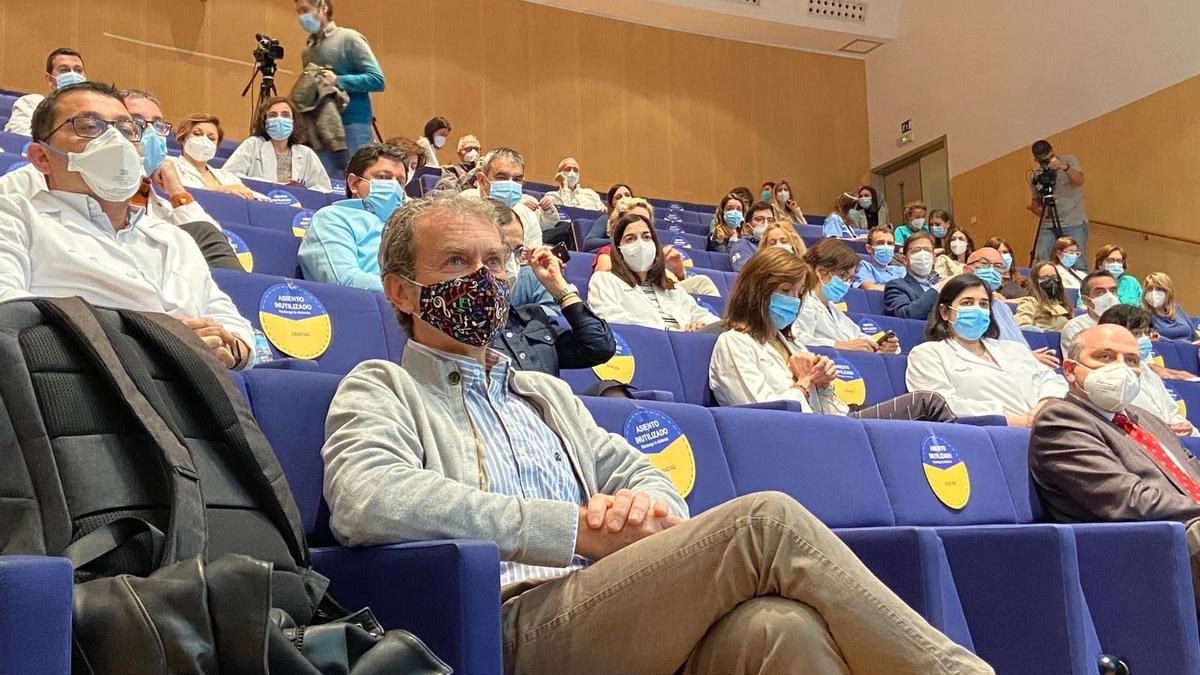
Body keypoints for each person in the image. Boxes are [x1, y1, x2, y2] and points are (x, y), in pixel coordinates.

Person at [323, 191, 993, 675]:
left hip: (615, 603)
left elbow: (638, 473)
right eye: (456, 264)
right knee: (767, 520)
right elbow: (368, 496)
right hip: (507, 624)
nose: (485, 281)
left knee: (780, 629)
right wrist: (572, 526)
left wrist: (644, 506)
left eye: (494, 264)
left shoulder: (544, 393)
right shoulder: (381, 385)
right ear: (403, 292)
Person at [0, 81, 254, 369]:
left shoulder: (174, 239)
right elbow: (9, 313)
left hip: (194, 392)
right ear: (42, 157)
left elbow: (232, 324)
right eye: (89, 127)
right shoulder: (15, 216)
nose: (115, 141)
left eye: (127, 130)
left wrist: (230, 350)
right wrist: (153, 338)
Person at [1028, 325, 1200, 601]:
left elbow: (1192, 472)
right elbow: (1128, 500)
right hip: (1140, 554)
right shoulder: (1061, 420)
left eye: (1131, 360)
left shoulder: (1145, 418)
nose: (1121, 369)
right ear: (1071, 370)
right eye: (1105, 357)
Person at [710, 247, 958, 422]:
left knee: (927, 405)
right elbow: (764, 416)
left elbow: (835, 411)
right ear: (756, 292)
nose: (793, 301)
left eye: (797, 294)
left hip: (835, 425)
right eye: (785, 290)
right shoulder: (734, 343)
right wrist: (805, 382)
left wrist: (825, 385)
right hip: (797, 438)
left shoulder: (792, 345)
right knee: (925, 403)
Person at [906, 275, 1067, 426]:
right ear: (945, 312)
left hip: (1049, 426)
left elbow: (1053, 380)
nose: (977, 310)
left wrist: (1046, 403)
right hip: (993, 434)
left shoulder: (1013, 348)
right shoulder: (928, 354)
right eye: (967, 303)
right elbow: (942, 404)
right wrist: (1018, 420)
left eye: (983, 304)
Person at [491, 202, 615, 375]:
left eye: (518, 251)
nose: (510, 262)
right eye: (501, 252)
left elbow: (599, 346)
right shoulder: (457, 325)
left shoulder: (531, 321)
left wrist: (557, 285)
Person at [297, 144, 407, 291]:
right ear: (354, 183)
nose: (394, 186)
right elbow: (345, 281)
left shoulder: (406, 227)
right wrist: (412, 293)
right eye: (383, 177)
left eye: (400, 182)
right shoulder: (332, 218)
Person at [587, 214, 720, 331]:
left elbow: (701, 314)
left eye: (646, 237)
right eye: (630, 239)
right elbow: (611, 320)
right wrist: (677, 333)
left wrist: (700, 325)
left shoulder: (671, 287)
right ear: (619, 250)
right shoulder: (604, 280)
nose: (640, 244)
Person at [295, 0, 385, 169]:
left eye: (305, 10)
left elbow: (377, 80)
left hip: (353, 126)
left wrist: (338, 80)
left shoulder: (348, 38)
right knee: (322, 186)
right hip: (320, 130)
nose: (301, 16)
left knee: (356, 182)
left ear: (323, 8)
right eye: (298, 11)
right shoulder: (308, 51)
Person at [1097, 305, 1196, 436]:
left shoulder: (1147, 371)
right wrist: (1165, 432)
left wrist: (1187, 430)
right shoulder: (1106, 378)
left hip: (1178, 442)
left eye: (1145, 332)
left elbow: (1173, 413)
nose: (1144, 338)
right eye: (1137, 333)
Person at [792, 239, 901, 354]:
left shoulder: (832, 308)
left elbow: (857, 335)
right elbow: (798, 340)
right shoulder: (804, 303)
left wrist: (881, 345)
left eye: (850, 278)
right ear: (820, 271)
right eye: (842, 275)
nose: (846, 283)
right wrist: (839, 345)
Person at [222, 97, 332, 192]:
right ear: (264, 121)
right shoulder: (252, 145)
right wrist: (267, 185)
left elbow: (324, 189)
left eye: (285, 115)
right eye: (273, 115)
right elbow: (227, 177)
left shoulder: (306, 153)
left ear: (294, 121)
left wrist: (303, 190)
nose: (279, 119)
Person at [465, 147, 561, 250]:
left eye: (516, 179)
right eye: (502, 178)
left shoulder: (528, 215)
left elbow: (532, 260)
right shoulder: (462, 206)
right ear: (482, 180)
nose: (510, 184)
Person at [169, 115, 261, 200]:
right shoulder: (169, 165)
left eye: (211, 138)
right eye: (197, 134)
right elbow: (180, 190)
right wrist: (220, 190)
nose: (204, 140)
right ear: (183, 138)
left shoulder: (228, 177)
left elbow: (254, 197)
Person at [1027, 140, 1086, 265]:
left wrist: (1065, 167)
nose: (1046, 162)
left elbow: (1079, 181)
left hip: (1073, 222)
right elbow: (1035, 201)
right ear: (1036, 160)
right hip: (1048, 224)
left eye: (1048, 158)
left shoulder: (1069, 160)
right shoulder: (1036, 175)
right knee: (1042, 258)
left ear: (1052, 152)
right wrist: (1037, 210)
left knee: (1077, 262)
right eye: (1042, 160)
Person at [5, 48, 86, 136]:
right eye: (64, 70)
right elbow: (21, 138)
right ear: (49, 79)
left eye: (78, 70)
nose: (73, 74)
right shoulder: (31, 103)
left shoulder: (96, 110)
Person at [884, 232, 944, 320]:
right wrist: (937, 289)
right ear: (905, 260)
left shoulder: (941, 283)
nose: (923, 255)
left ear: (934, 259)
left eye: (927, 250)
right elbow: (904, 315)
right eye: (916, 250)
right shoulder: (896, 286)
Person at [1015, 261, 1071, 331]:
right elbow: (1022, 327)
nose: (1051, 281)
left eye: (1054, 277)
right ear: (1035, 282)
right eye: (1045, 278)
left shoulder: (1063, 304)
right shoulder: (1030, 302)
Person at [1143, 272, 1197, 342]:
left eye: (1159, 289)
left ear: (1168, 292)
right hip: (1167, 351)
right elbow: (1151, 337)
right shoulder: (1144, 315)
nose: (1154, 293)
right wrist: (1185, 345)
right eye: (1150, 289)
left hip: (1190, 350)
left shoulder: (1177, 309)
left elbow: (1193, 333)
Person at [582, 183, 632, 250]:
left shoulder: (642, 218)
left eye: (627, 195)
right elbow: (588, 243)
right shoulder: (606, 219)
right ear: (612, 204)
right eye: (618, 197)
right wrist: (618, 241)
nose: (624, 198)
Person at [729, 201, 774, 272]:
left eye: (770, 220)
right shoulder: (742, 246)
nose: (766, 224)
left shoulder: (779, 244)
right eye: (759, 219)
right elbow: (745, 274)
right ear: (748, 227)